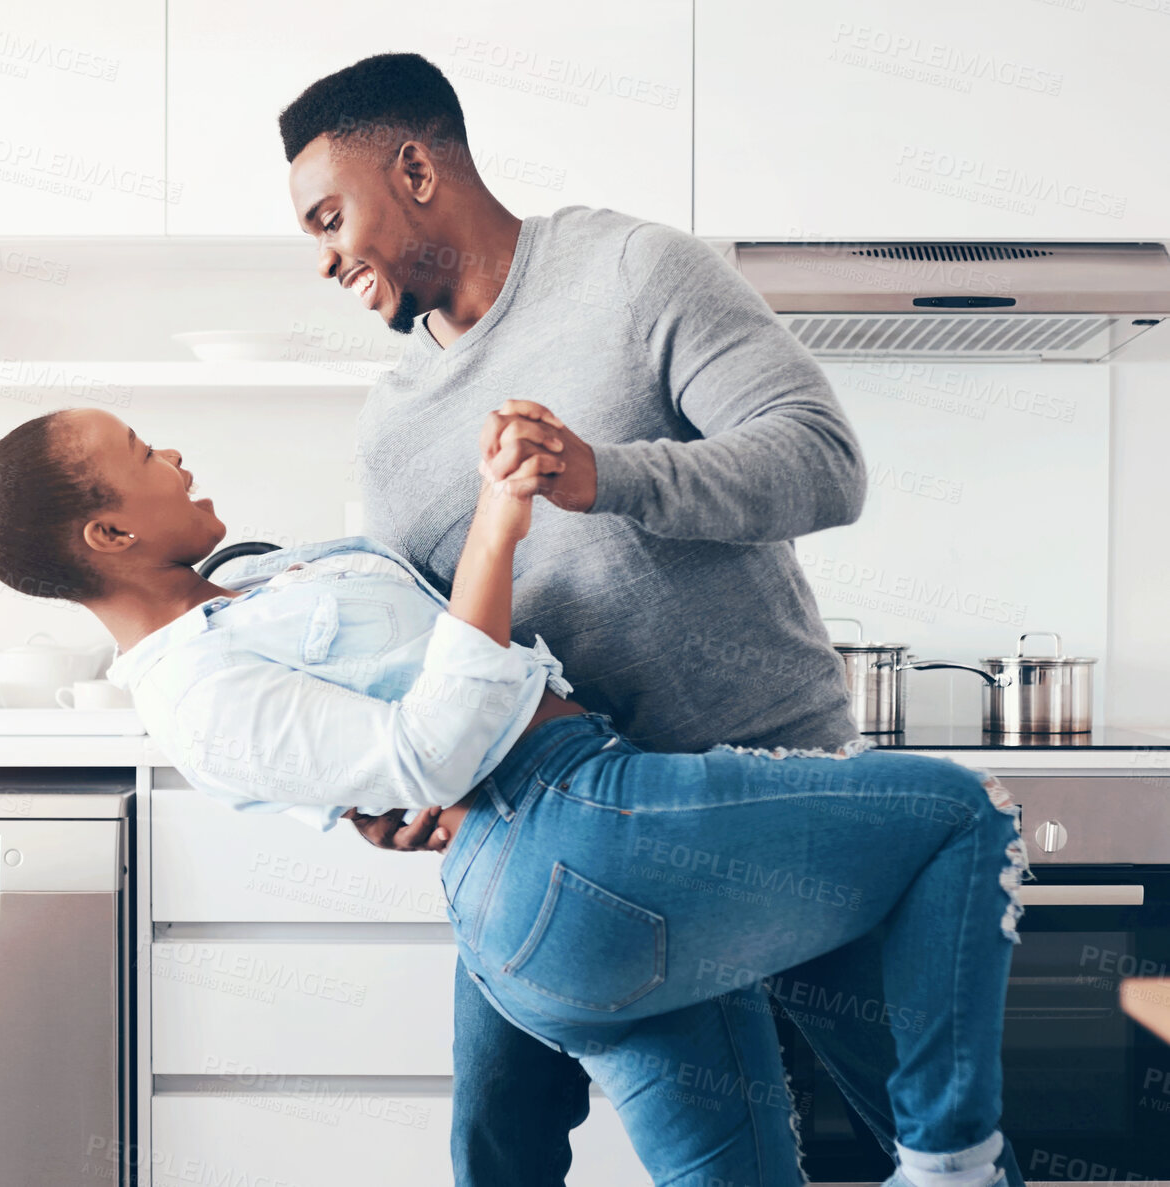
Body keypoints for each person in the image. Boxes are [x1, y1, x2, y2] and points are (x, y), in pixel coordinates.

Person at [0, 402, 1028, 1187]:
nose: (173, 453)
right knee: (962, 816)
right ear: (109, 533)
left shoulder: (242, 588)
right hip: (579, 825)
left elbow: (387, 749)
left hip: (534, 900)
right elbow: (431, 750)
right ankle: (949, 1163)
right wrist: (500, 518)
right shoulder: (194, 696)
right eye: (141, 451)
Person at [270, 51, 1032, 1187]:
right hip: (567, 839)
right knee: (494, 1142)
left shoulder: (631, 270)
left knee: (924, 1134)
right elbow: (424, 657)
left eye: (331, 217)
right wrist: (386, 790)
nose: (326, 259)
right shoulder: (390, 440)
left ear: (418, 167)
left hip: (772, 790)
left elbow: (826, 465)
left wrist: (606, 474)